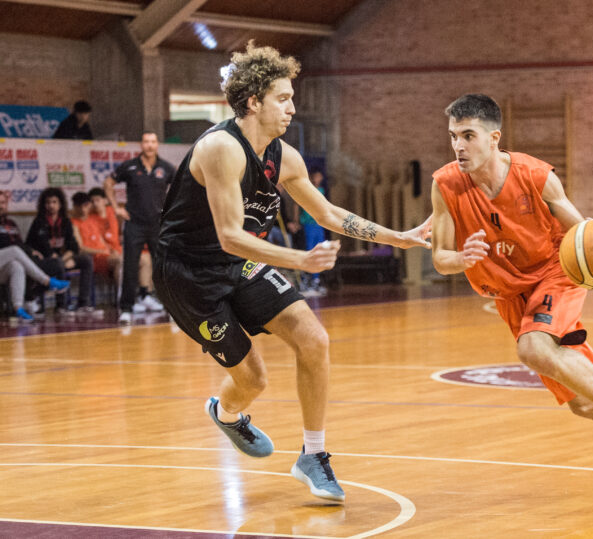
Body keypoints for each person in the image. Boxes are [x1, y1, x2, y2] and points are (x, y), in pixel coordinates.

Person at [152, 41, 429, 503]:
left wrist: (397, 237)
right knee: (254, 380)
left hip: (238, 264)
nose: (292, 108)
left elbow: (328, 214)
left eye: (292, 98)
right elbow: (230, 236)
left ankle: (313, 455)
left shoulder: (284, 157)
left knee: (314, 339)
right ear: (253, 102)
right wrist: (300, 260)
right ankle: (226, 413)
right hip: (189, 275)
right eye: (283, 98)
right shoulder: (220, 148)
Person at [429, 94, 593, 497]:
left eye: (468, 135)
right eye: (454, 136)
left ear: (494, 138)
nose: (459, 145)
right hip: (511, 294)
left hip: (555, 274)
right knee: (582, 400)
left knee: (532, 348)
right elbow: (440, 258)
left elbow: (582, 230)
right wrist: (461, 257)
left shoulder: (536, 176)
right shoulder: (446, 185)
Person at [104, 131, 175, 324]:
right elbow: (108, 183)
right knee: (130, 266)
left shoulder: (166, 168)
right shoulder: (130, 166)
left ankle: (172, 308)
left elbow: (181, 187)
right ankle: (126, 308)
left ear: (157, 144)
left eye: (153, 142)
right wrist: (116, 207)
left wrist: (172, 209)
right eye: (146, 142)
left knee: (163, 267)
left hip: (157, 224)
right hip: (134, 223)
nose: (149, 145)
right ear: (141, 145)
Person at [0, 191, 70, 319]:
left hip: (4, 264)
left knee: (16, 266)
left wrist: (31, 250)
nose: (1, 206)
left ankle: (18, 308)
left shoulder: (11, 224)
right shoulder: (39, 222)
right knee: (14, 250)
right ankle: (47, 281)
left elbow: (21, 243)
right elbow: (8, 245)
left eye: (3, 203)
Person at [25, 188, 95, 313]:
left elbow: (73, 246)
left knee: (86, 260)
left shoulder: (65, 221)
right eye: (48, 202)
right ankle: (61, 306)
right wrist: (61, 261)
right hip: (43, 261)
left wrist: (66, 258)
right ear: (43, 205)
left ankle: (83, 303)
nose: (51, 205)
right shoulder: (39, 222)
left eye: (54, 202)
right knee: (58, 264)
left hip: (61, 258)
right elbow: (44, 248)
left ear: (60, 204)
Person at [71, 191, 122, 296]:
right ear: (75, 207)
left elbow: (101, 240)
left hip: (105, 255)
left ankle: (134, 296)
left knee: (127, 259)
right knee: (119, 261)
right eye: (79, 206)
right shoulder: (73, 223)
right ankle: (122, 298)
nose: (83, 209)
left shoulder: (93, 219)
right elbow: (80, 248)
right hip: (92, 258)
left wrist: (111, 250)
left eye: (85, 205)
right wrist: (102, 251)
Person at [299, 168, 327, 293]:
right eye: (316, 176)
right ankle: (306, 279)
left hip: (318, 224)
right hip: (308, 224)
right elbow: (297, 205)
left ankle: (316, 279)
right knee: (310, 250)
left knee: (319, 250)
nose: (318, 179)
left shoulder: (321, 190)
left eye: (320, 177)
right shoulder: (305, 189)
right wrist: (296, 220)